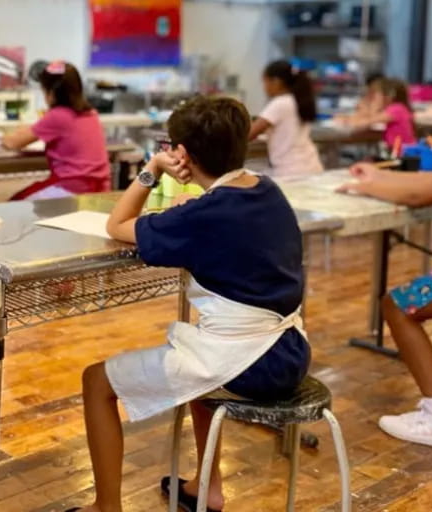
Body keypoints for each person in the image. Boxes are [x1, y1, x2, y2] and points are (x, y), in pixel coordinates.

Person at [67, 96, 309, 512]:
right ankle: (206, 487)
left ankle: (105, 506)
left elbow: (116, 224)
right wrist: (193, 201)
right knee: (197, 368)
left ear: (183, 154)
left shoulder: (202, 215)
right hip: (291, 350)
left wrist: (153, 168)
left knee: (96, 382)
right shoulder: (266, 190)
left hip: (251, 362)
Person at [338, 69, 432, 452]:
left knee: (398, 305)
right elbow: (426, 185)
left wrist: (369, 184)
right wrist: (375, 176)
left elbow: (418, 195)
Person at [2, 61, 111, 200]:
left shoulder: (57, 115)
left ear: (51, 92)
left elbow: (12, 143)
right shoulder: (90, 114)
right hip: (100, 188)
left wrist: (5, 137)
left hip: (71, 188)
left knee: (16, 202)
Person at [248, 60, 324, 176]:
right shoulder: (297, 100)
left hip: (291, 170)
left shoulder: (280, 103)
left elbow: (250, 133)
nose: (264, 88)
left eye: (265, 82)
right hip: (310, 165)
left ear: (276, 82)